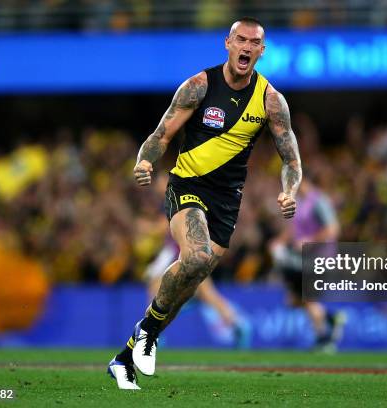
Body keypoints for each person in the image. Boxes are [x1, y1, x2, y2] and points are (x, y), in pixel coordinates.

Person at [108, 17, 302, 390]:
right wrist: (145, 160)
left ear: (262, 51)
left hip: (226, 203)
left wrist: (289, 192)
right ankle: (148, 334)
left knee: (189, 284)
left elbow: (291, 159)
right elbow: (161, 134)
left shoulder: (271, 101)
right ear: (227, 43)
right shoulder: (198, 86)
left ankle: (125, 356)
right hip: (187, 186)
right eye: (240, 39)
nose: (246, 47)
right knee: (194, 257)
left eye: (254, 42)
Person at [269, 172, 346, 352]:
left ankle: (323, 340)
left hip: (320, 258)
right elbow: (294, 230)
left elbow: (333, 229)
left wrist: (310, 240)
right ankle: (331, 319)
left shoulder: (319, 201)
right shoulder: (300, 202)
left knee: (307, 298)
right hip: (303, 259)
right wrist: (278, 241)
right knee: (294, 301)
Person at [144, 236, 248, 348]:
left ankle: (237, 324)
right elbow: (153, 272)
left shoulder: (182, 240)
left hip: (190, 283)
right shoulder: (173, 245)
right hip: (181, 286)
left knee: (203, 287)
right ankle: (153, 331)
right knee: (159, 287)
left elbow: (152, 273)